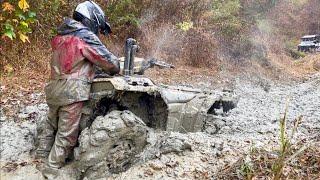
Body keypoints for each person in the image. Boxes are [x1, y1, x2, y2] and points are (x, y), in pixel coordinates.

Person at [35, 1, 119, 178]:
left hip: (53, 88)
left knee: (52, 125)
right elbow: (108, 62)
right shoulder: (85, 36)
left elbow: (72, 61)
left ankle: (40, 157)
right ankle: (51, 168)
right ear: (92, 19)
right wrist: (115, 66)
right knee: (67, 134)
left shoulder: (61, 35)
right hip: (72, 90)